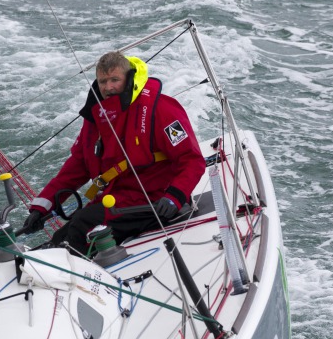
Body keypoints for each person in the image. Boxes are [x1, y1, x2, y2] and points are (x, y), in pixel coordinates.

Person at [20, 51, 206, 255]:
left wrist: (174, 197)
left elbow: (192, 161)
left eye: (115, 79)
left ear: (128, 78)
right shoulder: (95, 117)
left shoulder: (161, 109)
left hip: (154, 201)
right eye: (103, 81)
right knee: (61, 238)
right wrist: (41, 207)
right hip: (116, 201)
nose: (108, 87)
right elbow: (77, 167)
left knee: (82, 226)